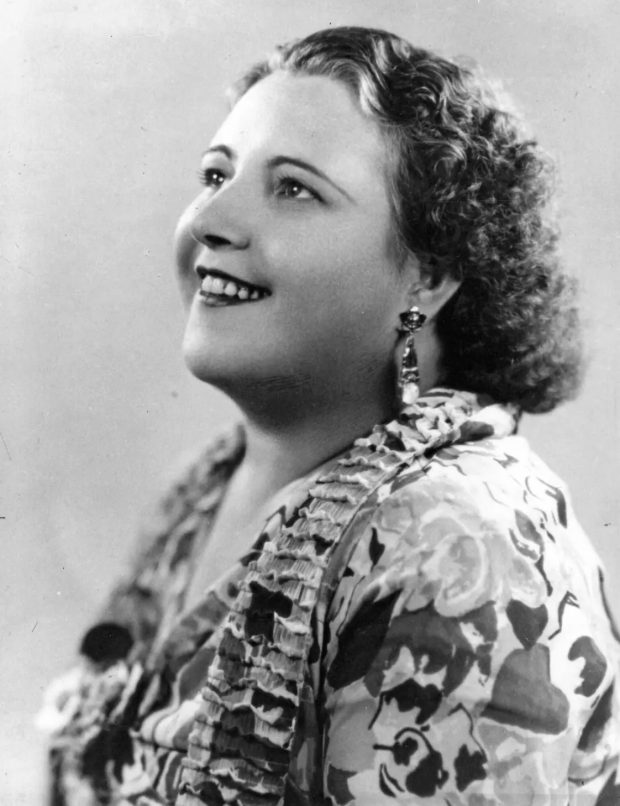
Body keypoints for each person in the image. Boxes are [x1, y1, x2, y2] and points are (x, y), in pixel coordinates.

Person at [39, 26, 620, 805]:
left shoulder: (457, 543)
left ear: (431, 274)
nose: (212, 219)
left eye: (294, 189)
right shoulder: (204, 491)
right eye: (216, 174)